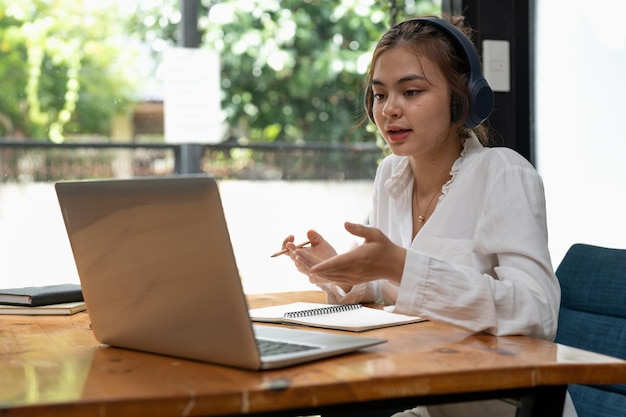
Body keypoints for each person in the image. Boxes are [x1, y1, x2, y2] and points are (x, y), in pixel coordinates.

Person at [278, 14, 577, 417]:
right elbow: (397, 290)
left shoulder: (502, 173)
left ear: (463, 99)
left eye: (412, 92)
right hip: (423, 402)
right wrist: (347, 274)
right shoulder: (390, 175)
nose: (389, 110)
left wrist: (401, 266)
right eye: (380, 95)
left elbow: (536, 314)